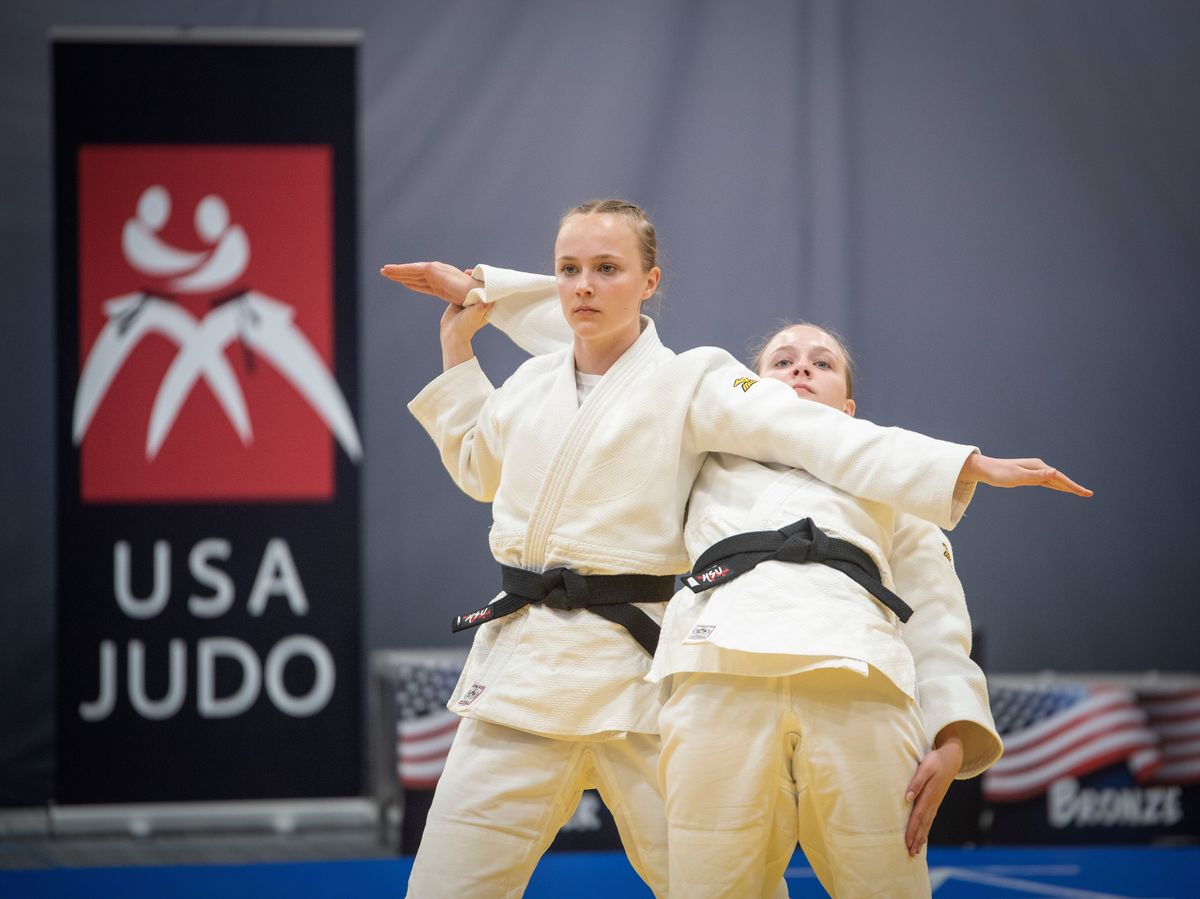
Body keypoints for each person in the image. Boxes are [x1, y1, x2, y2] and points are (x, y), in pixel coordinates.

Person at [385, 200, 1088, 898]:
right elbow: (552, 397)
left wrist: (967, 464)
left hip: (740, 674)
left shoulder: (786, 439)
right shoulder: (675, 436)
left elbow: (923, 596)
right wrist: (477, 309)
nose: (583, 284)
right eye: (568, 269)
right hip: (602, 669)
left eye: (821, 363)